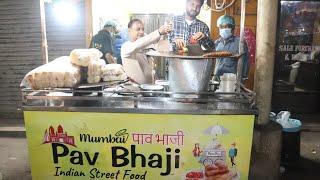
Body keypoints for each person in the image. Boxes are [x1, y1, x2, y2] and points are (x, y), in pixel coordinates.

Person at [121, 19, 172, 84]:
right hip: (134, 90)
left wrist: (174, 43)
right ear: (129, 31)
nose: (141, 32)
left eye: (143, 29)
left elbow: (160, 46)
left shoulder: (145, 47)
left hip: (148, 89)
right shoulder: (126, 47)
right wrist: (158, 32)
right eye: (138, 29)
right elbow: (139, 44)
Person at [214, 15, 249, 81]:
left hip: (232, 80)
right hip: (217, 78)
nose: (224, 29)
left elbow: (245, 61)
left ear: (232, 28)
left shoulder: (240, 42)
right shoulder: (217, 43)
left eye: (227, 26)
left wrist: (243, 78)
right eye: (221, 27)